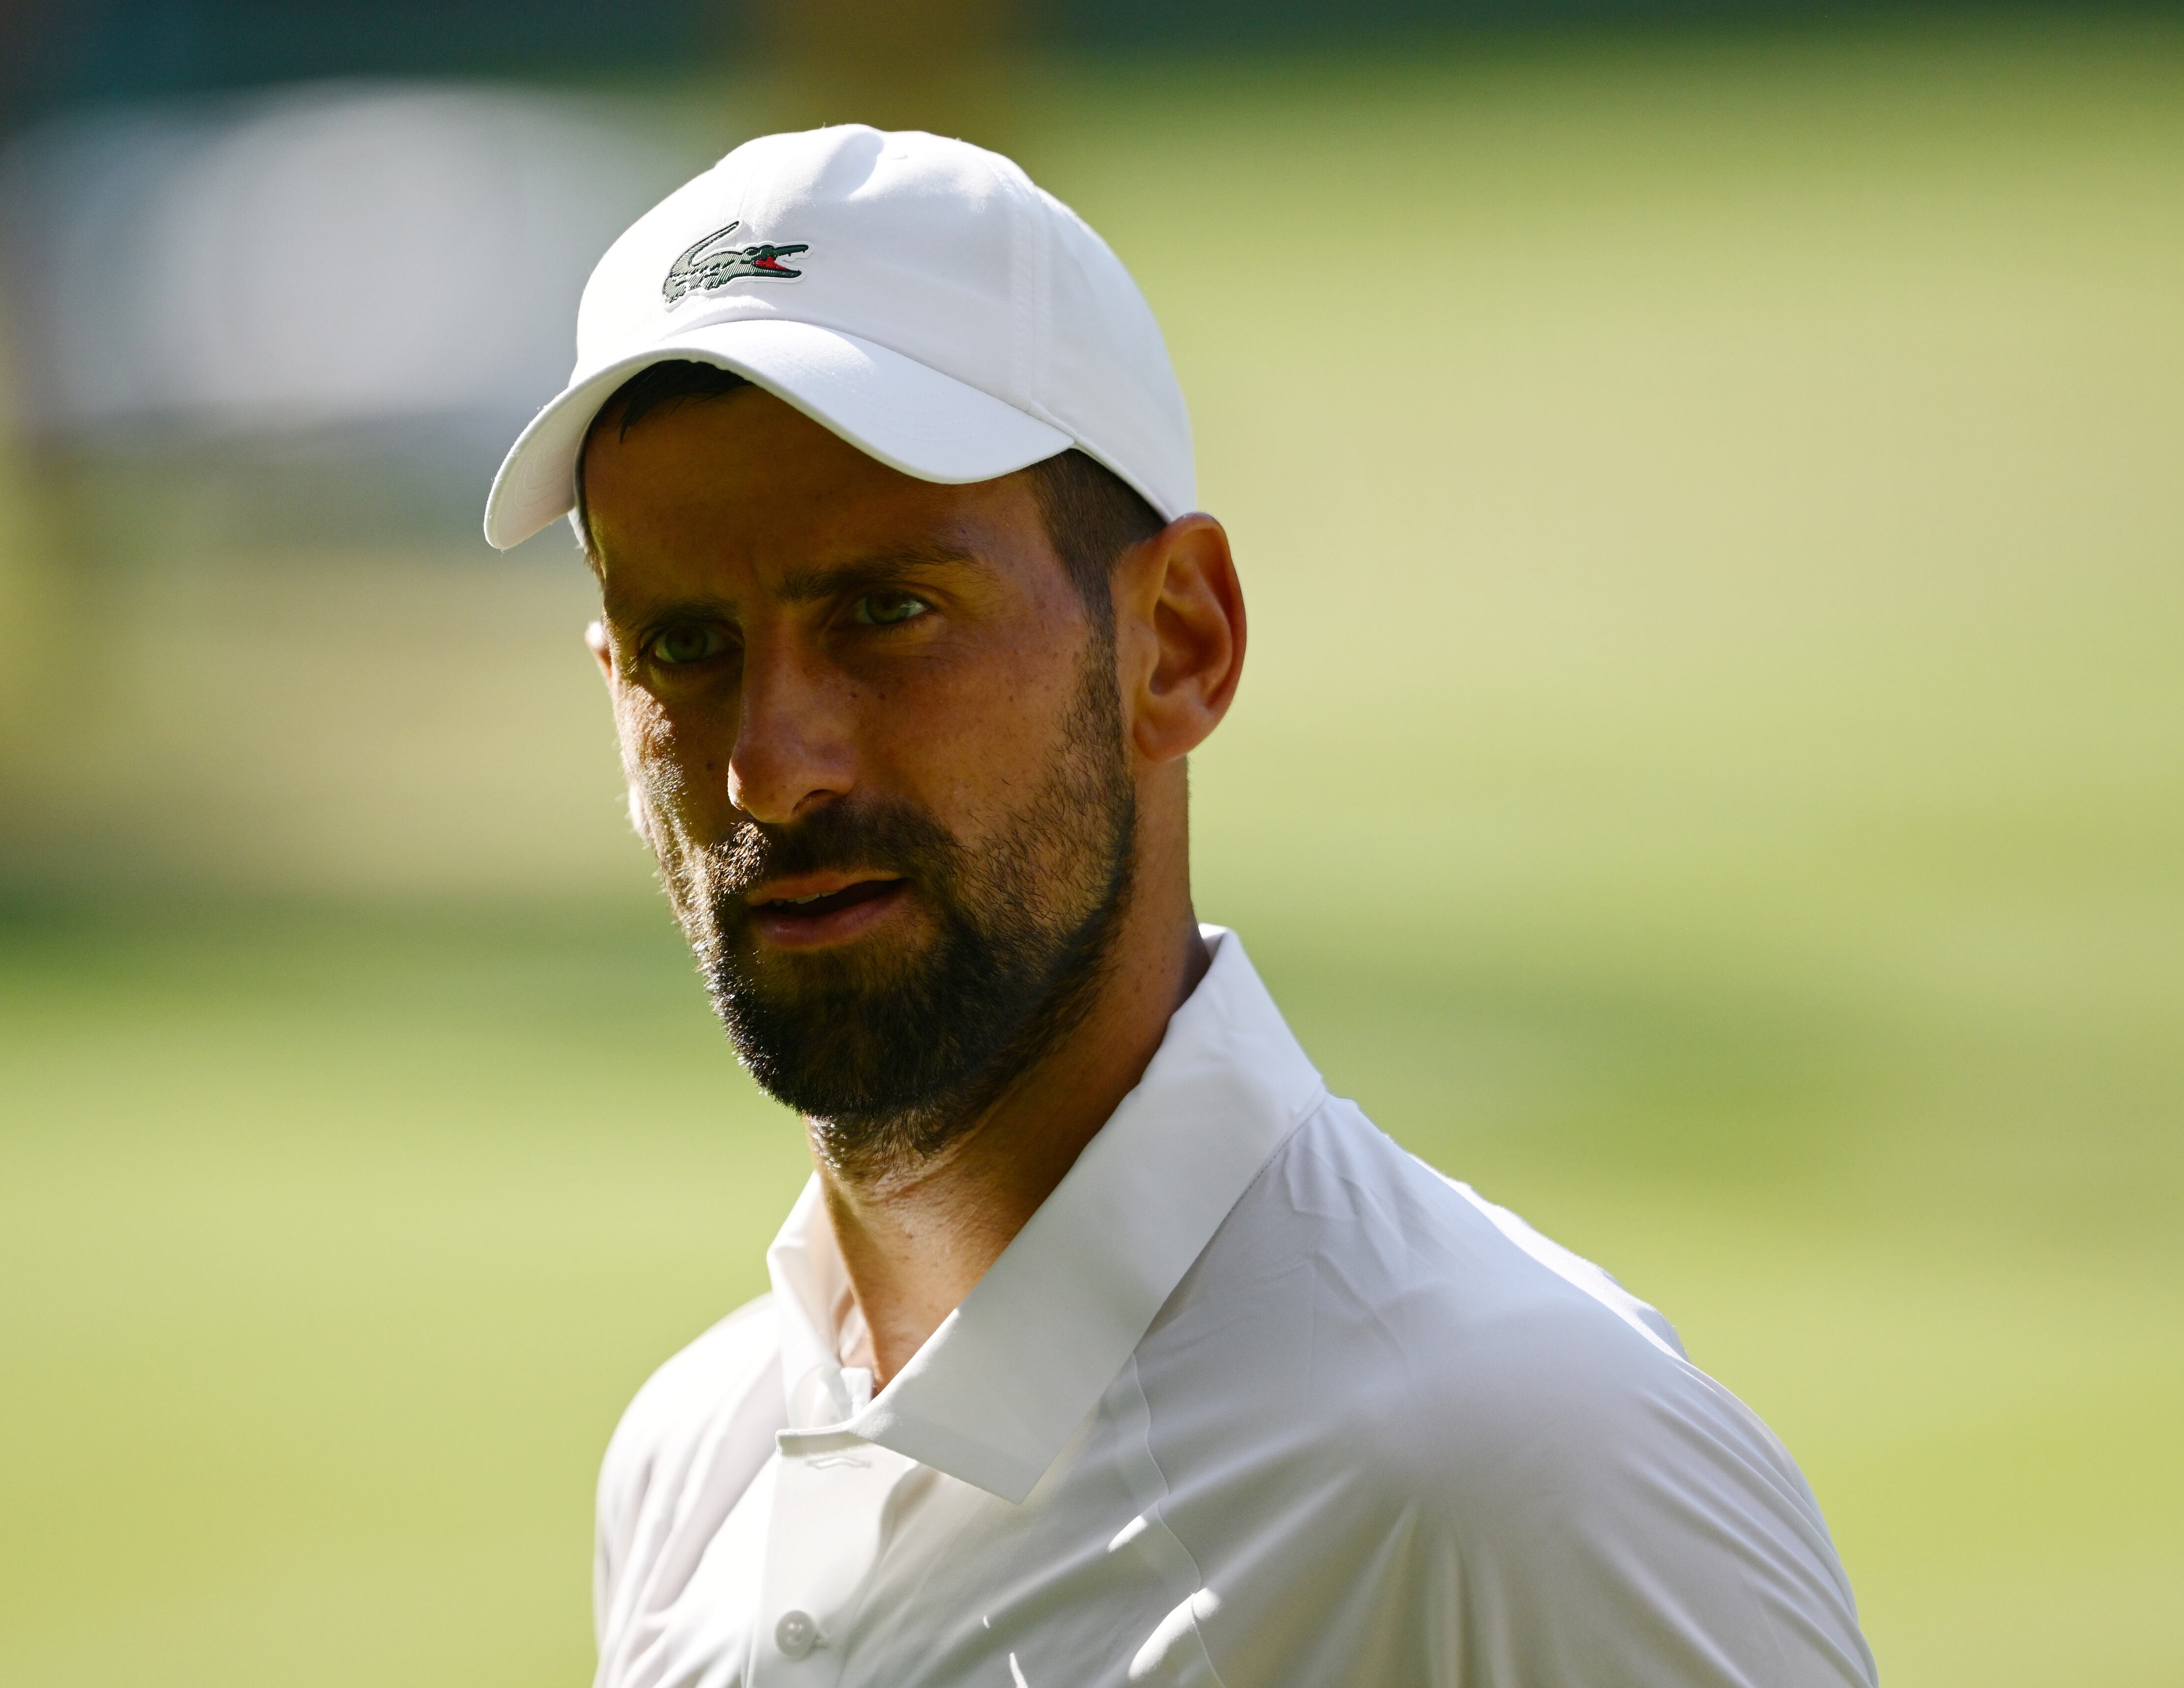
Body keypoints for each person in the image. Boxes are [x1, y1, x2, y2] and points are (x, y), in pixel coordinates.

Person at [483, 125, 1876, 1688]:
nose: (768, 764)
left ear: (1180, 645)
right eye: (683, 642)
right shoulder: (687, 1467)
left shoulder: (1531, 1473)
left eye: (889, 613)